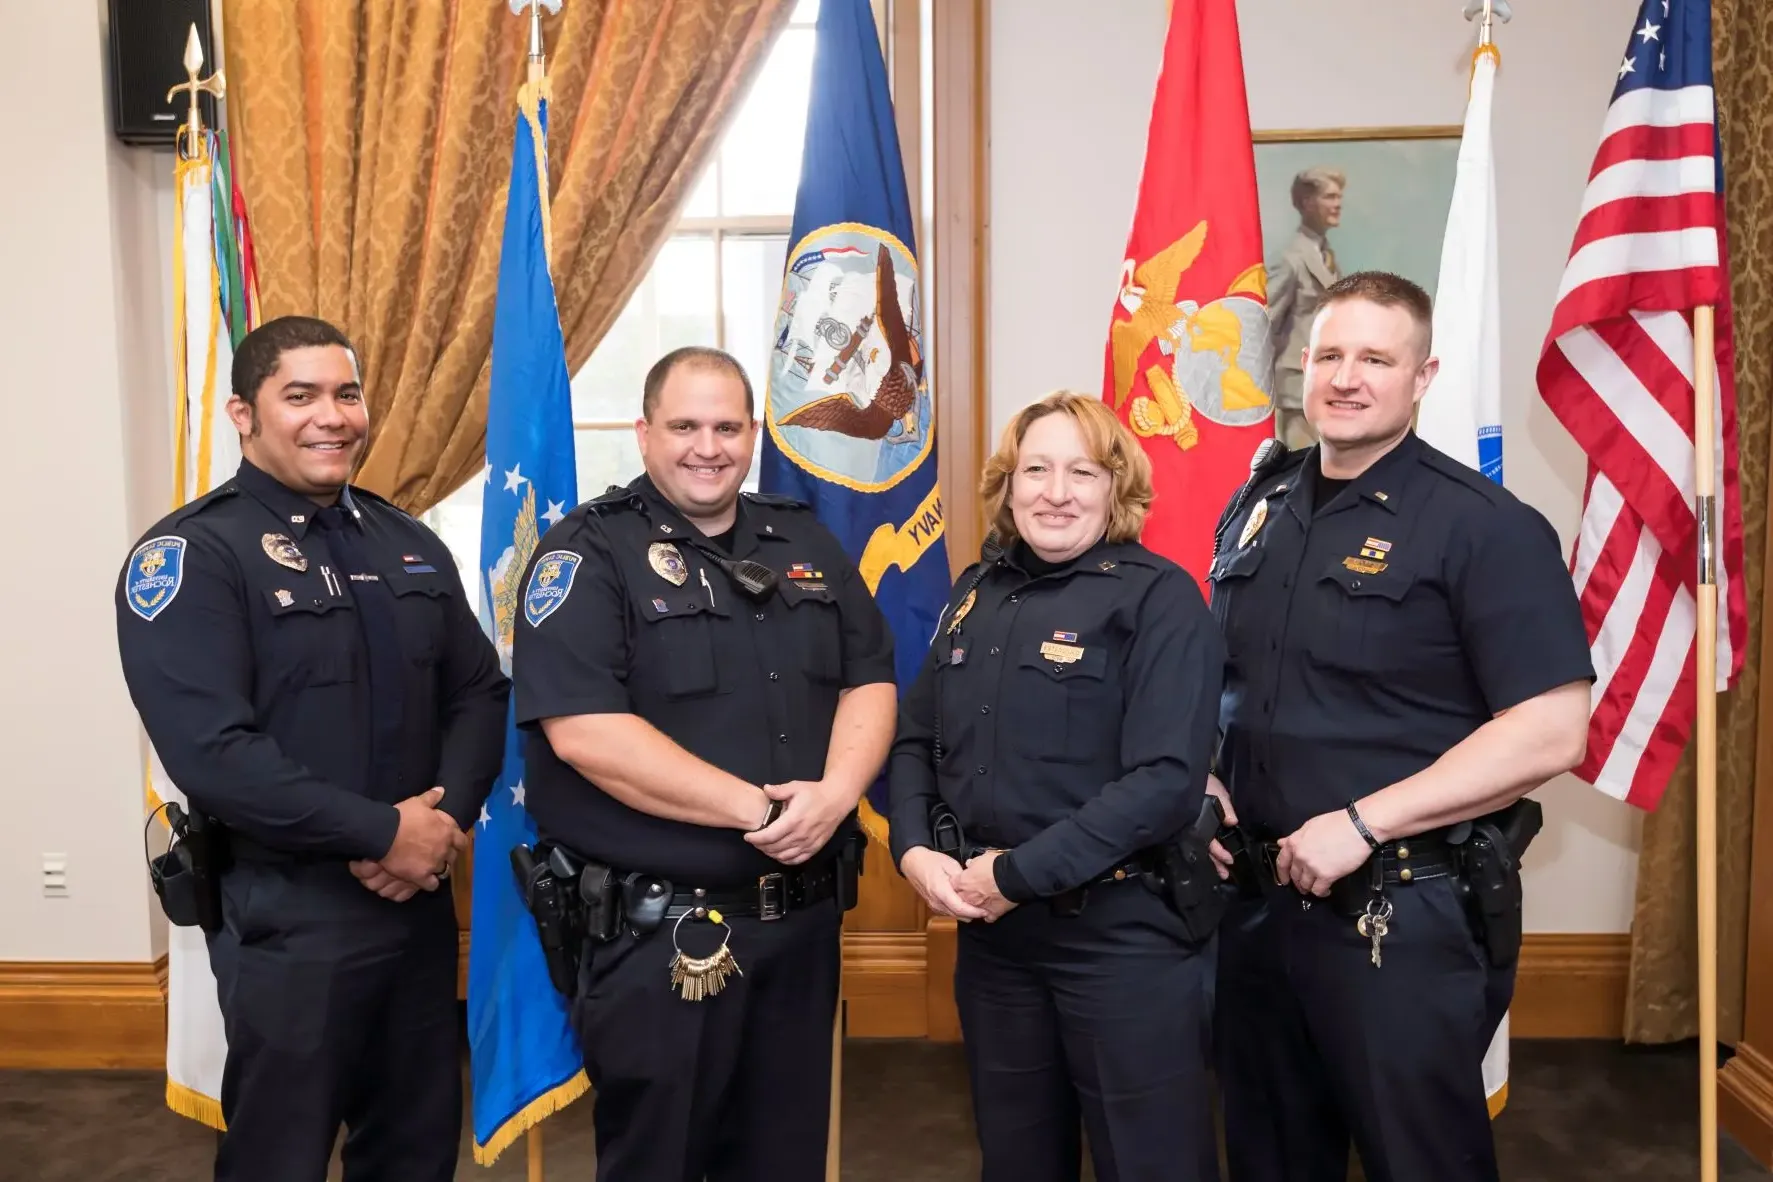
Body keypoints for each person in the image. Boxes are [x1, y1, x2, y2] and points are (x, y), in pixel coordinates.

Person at [1206, 271, 1593, 1182]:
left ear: (1421, 378)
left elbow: (1551, 728)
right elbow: (1226, 677)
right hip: (1253, 908)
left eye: (1376, 359)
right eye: (1330, 355)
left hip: (1392, 913)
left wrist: (1360, 823)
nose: (1347, 377)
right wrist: (1207, 775)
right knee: (1267, 1158)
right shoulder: (1258, 503)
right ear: (1302, 368)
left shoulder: (1484, 527)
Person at [114, 315, 510, 1182]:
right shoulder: (193, 554)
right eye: (300, 396)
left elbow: (480, 692)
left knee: (413, 1142)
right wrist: (380, 834)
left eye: (346, 393)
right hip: (287, 911)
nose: (332, 415)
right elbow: (213, 751)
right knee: (278, 1154)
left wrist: (436, 826)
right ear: (243, 414)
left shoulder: (407, 544)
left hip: (414, 902)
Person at [512, 345, 897, 1182]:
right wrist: (757, 813)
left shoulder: (804, 541)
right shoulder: (587, 554)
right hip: (667, 940)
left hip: (800, 927)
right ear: (644, 433)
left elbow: (869, 678)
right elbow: (585, 732)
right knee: (665, 1162)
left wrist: (835, 795)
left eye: (727, 426)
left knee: (783, 1158)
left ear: (753, 433)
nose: (707, 446)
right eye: (684, 425)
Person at [887, 391, 1227, 1182]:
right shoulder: (975, 593)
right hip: (996, 946)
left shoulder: (1159, 598)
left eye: (1082, 471)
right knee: (1015, 1160)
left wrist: (1015, 874)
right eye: (1035, 469)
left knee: (1152, 1165)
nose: (1057, 491)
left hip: (1120, 941)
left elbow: (1166, 782)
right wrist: (910, 848)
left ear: (1117, 488)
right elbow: (913, 740)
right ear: (1007, 486)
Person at [1266, 166, 1345, 450]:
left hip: (1325, 383)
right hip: (1296, 389)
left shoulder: (1325, 254)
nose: (1338, 204)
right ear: (1307, 203)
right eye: (1330, 197)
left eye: (1339, 197)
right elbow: (1266, 325)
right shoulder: (1291, 259)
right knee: (1300, 473)